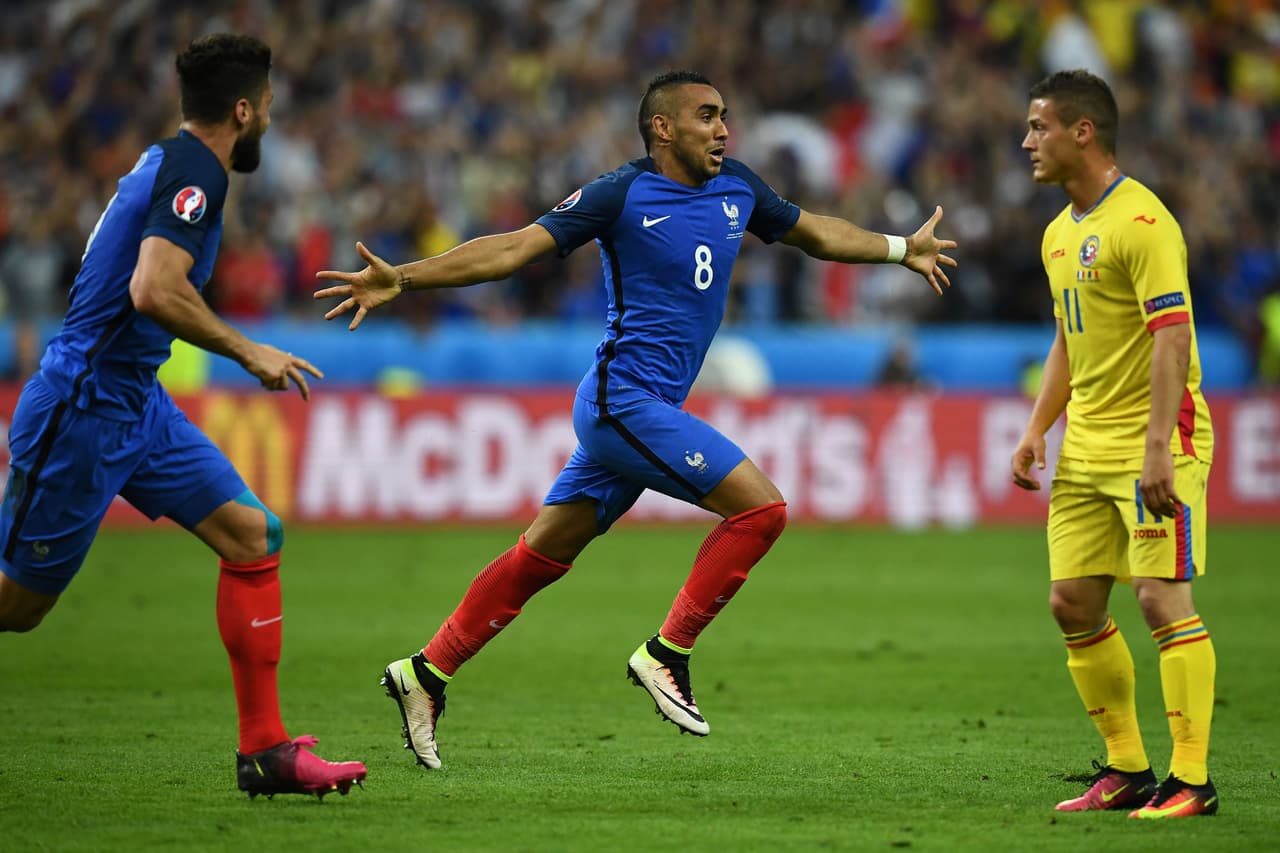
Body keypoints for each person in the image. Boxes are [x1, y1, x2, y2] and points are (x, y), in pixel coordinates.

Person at [315, 70, 956, 769]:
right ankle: (667, 652)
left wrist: (900, 248)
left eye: (725, 116)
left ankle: (425, 673)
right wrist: (404, 277)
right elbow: (512, 248)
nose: (723, 129)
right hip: (622, 401)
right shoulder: (619, 192)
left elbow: (817, 233)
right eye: (707, 116)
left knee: (539, 557)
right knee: (761, 511)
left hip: (644, 407)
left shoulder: (739, 185)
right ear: (663, 127)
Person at [0, 34, 366, 800]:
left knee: (252, 533)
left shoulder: (172, 161)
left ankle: (264, 752)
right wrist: (247, 350)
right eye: (265, 104)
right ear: (244, 108)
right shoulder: (196, 171)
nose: (268, 116)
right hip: (85, 408)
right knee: (17, 608)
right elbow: (154, 290)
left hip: (136, 401)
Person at [1011, 69, 1217, 819]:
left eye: (1039, 127)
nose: (1027, 141)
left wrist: (1159, 445)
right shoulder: (1059, 234)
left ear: (1082, 132)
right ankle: (1128, 768)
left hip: (1153, 441)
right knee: (1071, 601)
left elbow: (1173, 336)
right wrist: (1038, 428)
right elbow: (1070, 337)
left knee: (1162, 598)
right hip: (1087, 445)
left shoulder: (1144, 223)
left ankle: (1191, 779)